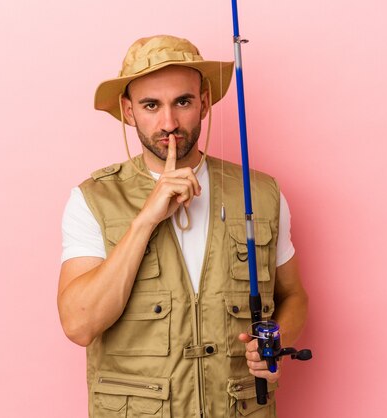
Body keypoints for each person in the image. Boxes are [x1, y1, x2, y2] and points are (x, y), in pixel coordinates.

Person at [57, 34, 308, 417]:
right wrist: (147, 218)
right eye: (151, 105)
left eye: (183, 102)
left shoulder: (260, 193)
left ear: (204, 103)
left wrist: (274, 342)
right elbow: (79, 324)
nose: (169, 122)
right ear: (128, 111)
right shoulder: (92, 200)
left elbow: (294, 297)